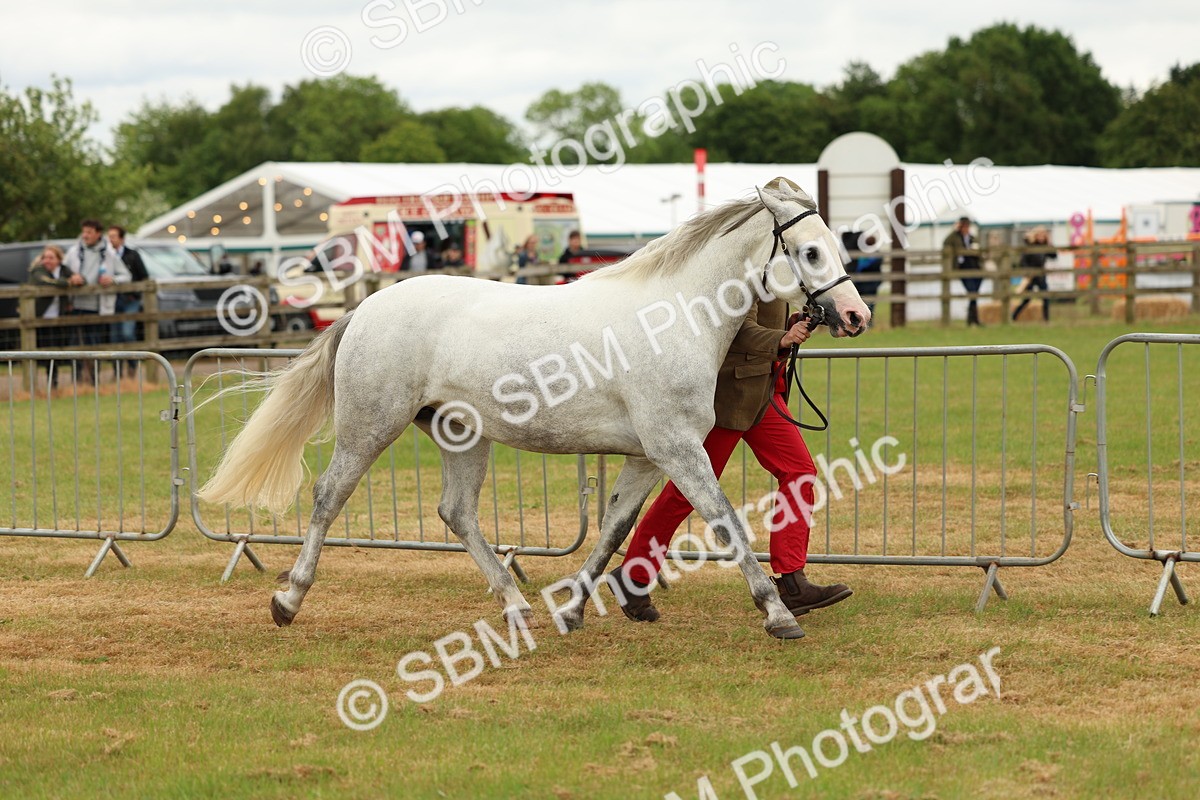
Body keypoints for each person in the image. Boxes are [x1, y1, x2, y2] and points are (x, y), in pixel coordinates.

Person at [610, 296, 852, 624]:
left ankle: (793, 581)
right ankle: (634, 575)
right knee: (687, 492)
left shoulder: (774, 269)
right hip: (732, 395)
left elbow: (766, 322)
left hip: (765, 393)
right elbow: (739, 328)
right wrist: (781, 338)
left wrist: (799, 320)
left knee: (800, 472)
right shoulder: (749, 268)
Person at [63, 219, 131, 356]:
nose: (85, 235)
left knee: (95, 344)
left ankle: (94, 376)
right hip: (75, 305)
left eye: (89, 232)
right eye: (84, 232)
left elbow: (126, 275)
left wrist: (113, 279)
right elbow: (62, 272)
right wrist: (71, 279)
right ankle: (79, 375)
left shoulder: (109, 253)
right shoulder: (73, 252)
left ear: (98, 234)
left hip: (98, 306)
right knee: (75, 345)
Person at [28, 245, 84, 390]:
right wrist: (67, 283)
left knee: (64, 349)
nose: (47, 261)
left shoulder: (64, 270)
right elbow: (43, 281)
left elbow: (81, 280)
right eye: (45, 257)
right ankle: (51, 384)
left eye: (51, 258)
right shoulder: (38, 270)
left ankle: (75, 383)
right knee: (46, 352)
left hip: (61, 318)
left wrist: (79, 279)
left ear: (59, 259)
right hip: (41, 318)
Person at [107, 225, 149, 375]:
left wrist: (135, 292)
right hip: (112, 300)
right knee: (114, 336)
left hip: (130, 299)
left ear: (121, 238)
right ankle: (117, 371)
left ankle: (132, 366)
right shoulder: (106, 256)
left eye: (113, 236)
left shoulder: (132, 255)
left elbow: (144, 276)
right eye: (109, 236)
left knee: (127, 332)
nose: (110, 239)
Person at [1012, 227, 1057, 322]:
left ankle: (1046, 320)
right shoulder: (1030, 246)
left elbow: (1053, 256)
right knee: (1027, 299)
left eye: (1043, 235)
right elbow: (1023, 261)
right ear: (1036, 235)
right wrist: (1028, 272)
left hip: (1040, 275)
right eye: (1040, 235)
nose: (1041, 237)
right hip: (1031, 276)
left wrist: (1050, 244)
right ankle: (1014, 317)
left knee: (1045, 297)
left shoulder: (1045, 246)